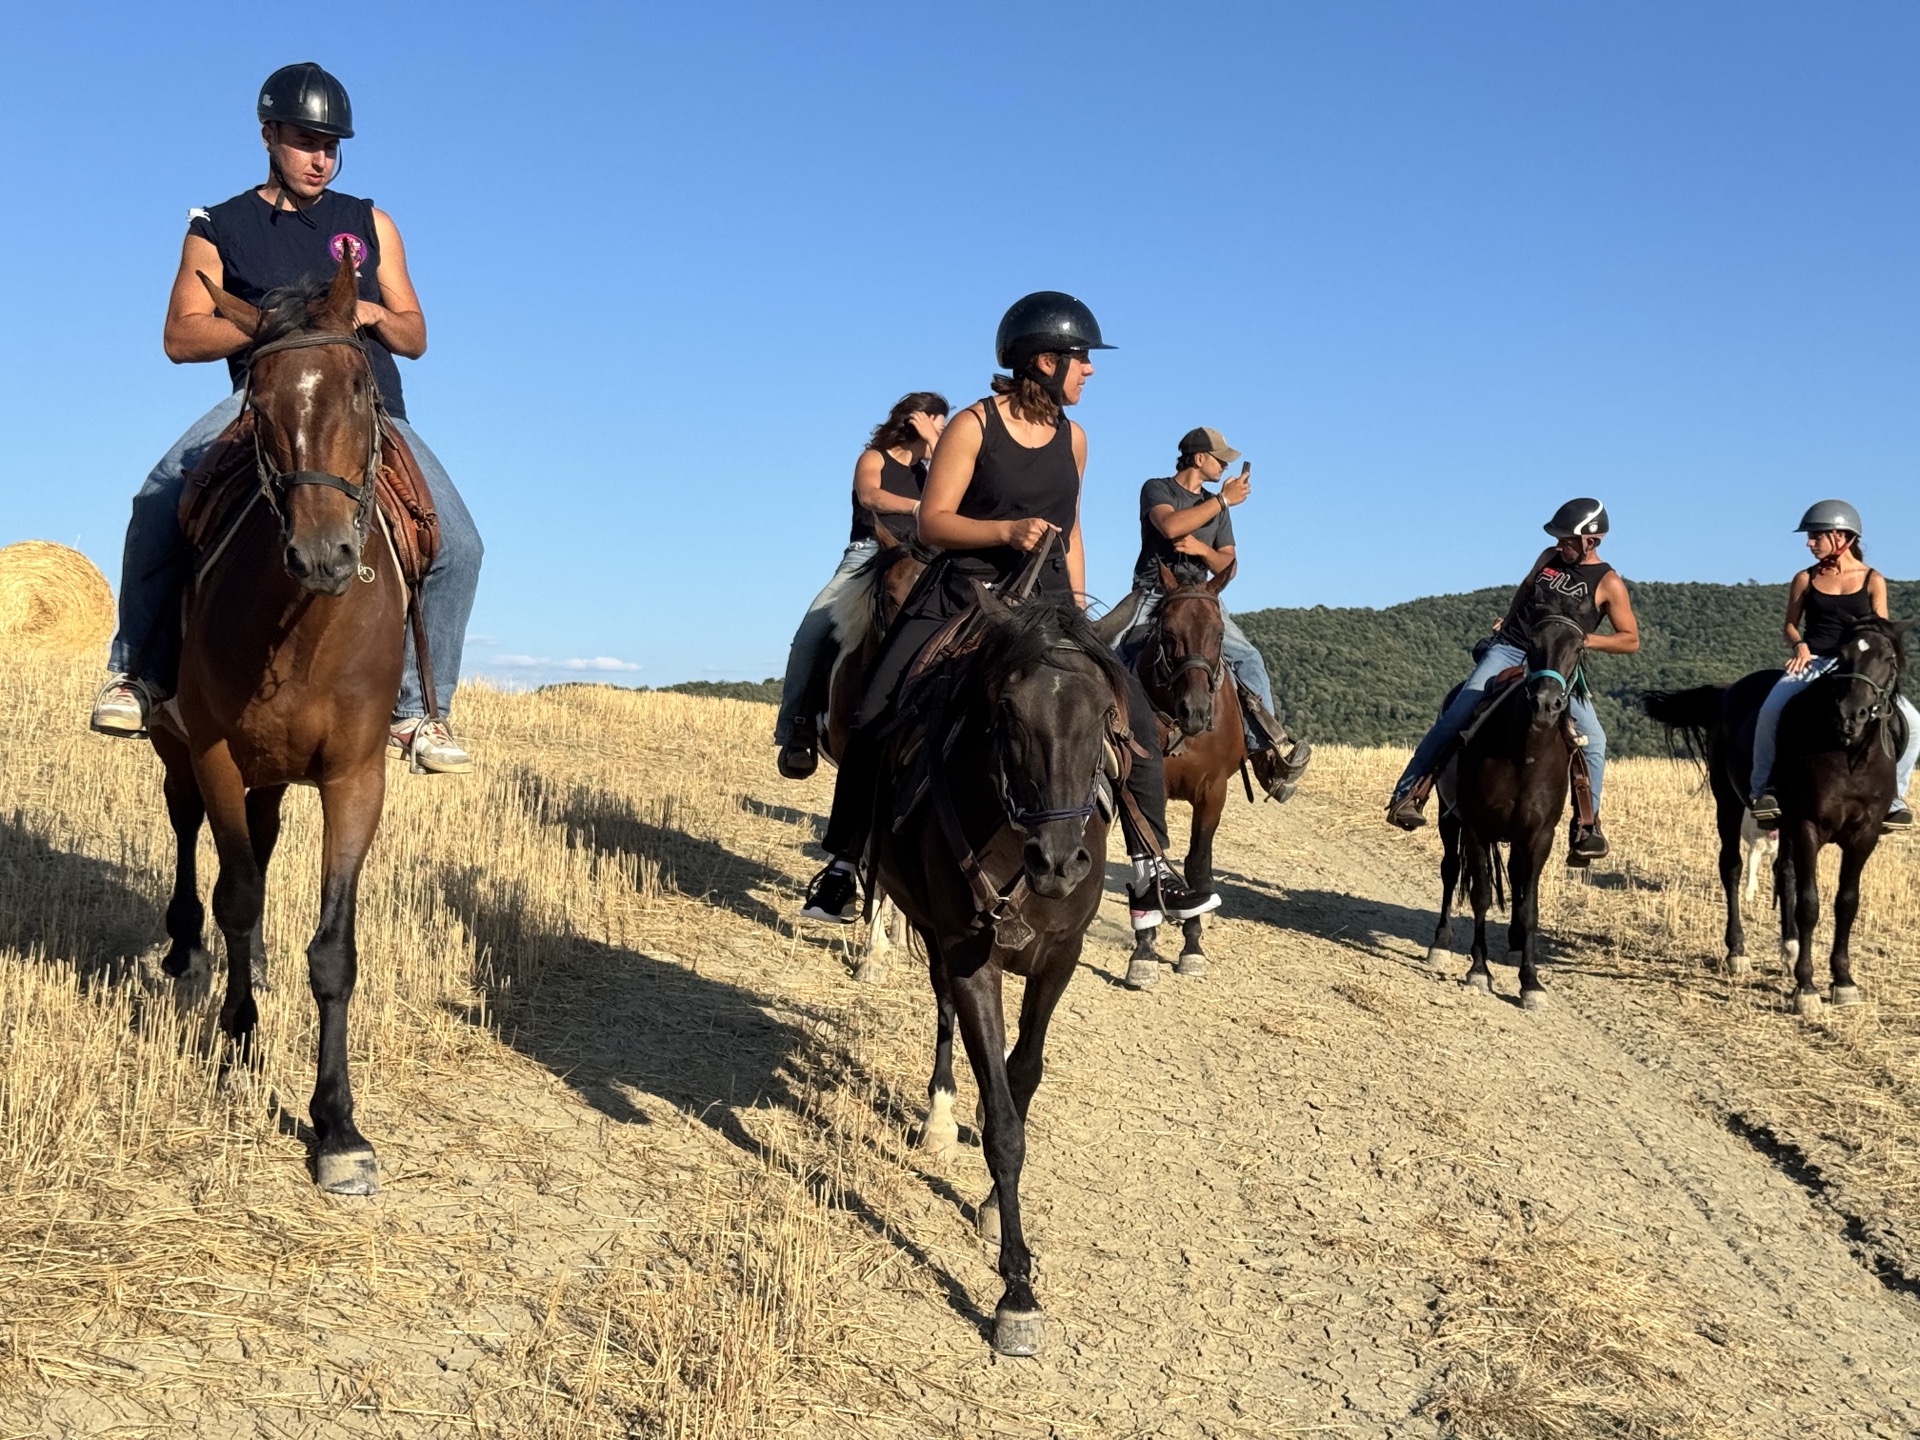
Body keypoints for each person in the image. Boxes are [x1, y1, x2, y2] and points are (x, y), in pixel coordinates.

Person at [90, 62, 483, 774]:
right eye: (306, 141)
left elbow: (415, 334)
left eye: (331, 145)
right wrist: (277, 325)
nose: (320, 158)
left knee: (461, 544)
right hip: (265, 402)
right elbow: (181, 335)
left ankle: (419, 711)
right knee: (155, 501)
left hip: (367, 407)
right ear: (269, 135)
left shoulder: (369, 222)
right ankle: (137, 673)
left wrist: (367, 311)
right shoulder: (219, 226)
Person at [798, 292, 1217, 931]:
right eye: (1081, 357)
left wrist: (1078, 612)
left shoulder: (1075, 438)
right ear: (1045, 360)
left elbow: (1072, 530)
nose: (1089, 369)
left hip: (1047, 605)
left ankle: (1150, 867)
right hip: (964, 596)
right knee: (877, 709)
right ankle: (843, 862)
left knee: (1130, 713)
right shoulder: (973, 425)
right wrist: (1005, 532)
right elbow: (933, 523)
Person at [1385, 499, 1639, 859]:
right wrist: (1508, 620)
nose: (1560, 544)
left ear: (1591, 541)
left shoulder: (1608, 582)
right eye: (1559, 538)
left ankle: (1586, 826)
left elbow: (1630, 639)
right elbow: (1525, 587)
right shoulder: (1549, 557)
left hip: (1556, 665)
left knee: (1595, 740)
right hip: (1511, 649)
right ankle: (1408, 794)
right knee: (1457, 715)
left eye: (1567, 539)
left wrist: (1586, 640)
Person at [1112, 426, 1312, 799]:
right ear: (1199, 458)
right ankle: (1098, 749)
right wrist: (1222, 500)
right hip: (1153, 593)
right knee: (1114, 652)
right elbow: (1170, 525)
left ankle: (1264, 754)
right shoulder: (1157, 489)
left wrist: (1203, 550)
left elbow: (1228, 565)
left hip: (1203, 596)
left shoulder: (1218, 508)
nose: (1224, 466)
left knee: (1249, 658)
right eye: (1220, 459)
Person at [773, 393, 948, 779]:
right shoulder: (874, 458)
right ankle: (797, 728)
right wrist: (917, 507)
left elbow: (953, 493)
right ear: (916, 420)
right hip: (869, 555)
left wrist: (935, 445)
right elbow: (870, 496)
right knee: (811, 634)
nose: (943, 431)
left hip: (923, 559)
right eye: (939, 423)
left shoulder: (931, 474)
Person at [1749, 500, 1919, 829]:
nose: (1809, 543)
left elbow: (1880, 630)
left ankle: (1895, 795)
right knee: (1770, 710)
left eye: (1816, 536)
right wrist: (1799, 645)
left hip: (1858, 668)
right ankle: (1763, 790)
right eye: (1810, 537)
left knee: (1914, 724)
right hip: (1814, 661)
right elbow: (1789, 625)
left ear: (1841, 536)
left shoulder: (1872, 579)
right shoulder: (1805, 578)